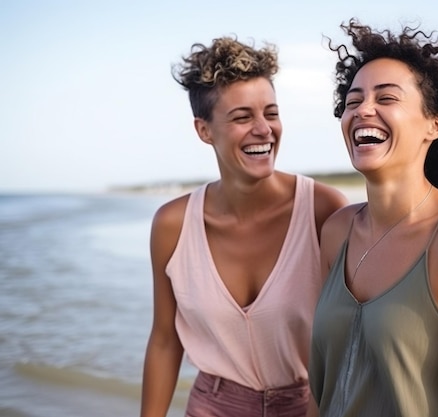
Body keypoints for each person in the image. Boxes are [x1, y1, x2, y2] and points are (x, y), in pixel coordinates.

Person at [307, 19, 438, 417]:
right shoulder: (337, 230)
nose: (363, 110)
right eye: (352, 102)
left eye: (386, 98)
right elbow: (317, 390)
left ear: (434, 125)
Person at [140, 36, 347, 417]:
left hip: (308, 406)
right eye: (242, 117)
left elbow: (352, 341)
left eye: (271, 113)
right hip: (211, 406)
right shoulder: (173, 225)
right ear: (204, 130)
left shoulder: (325, 210)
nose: (264, 129)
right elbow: (166, 341)